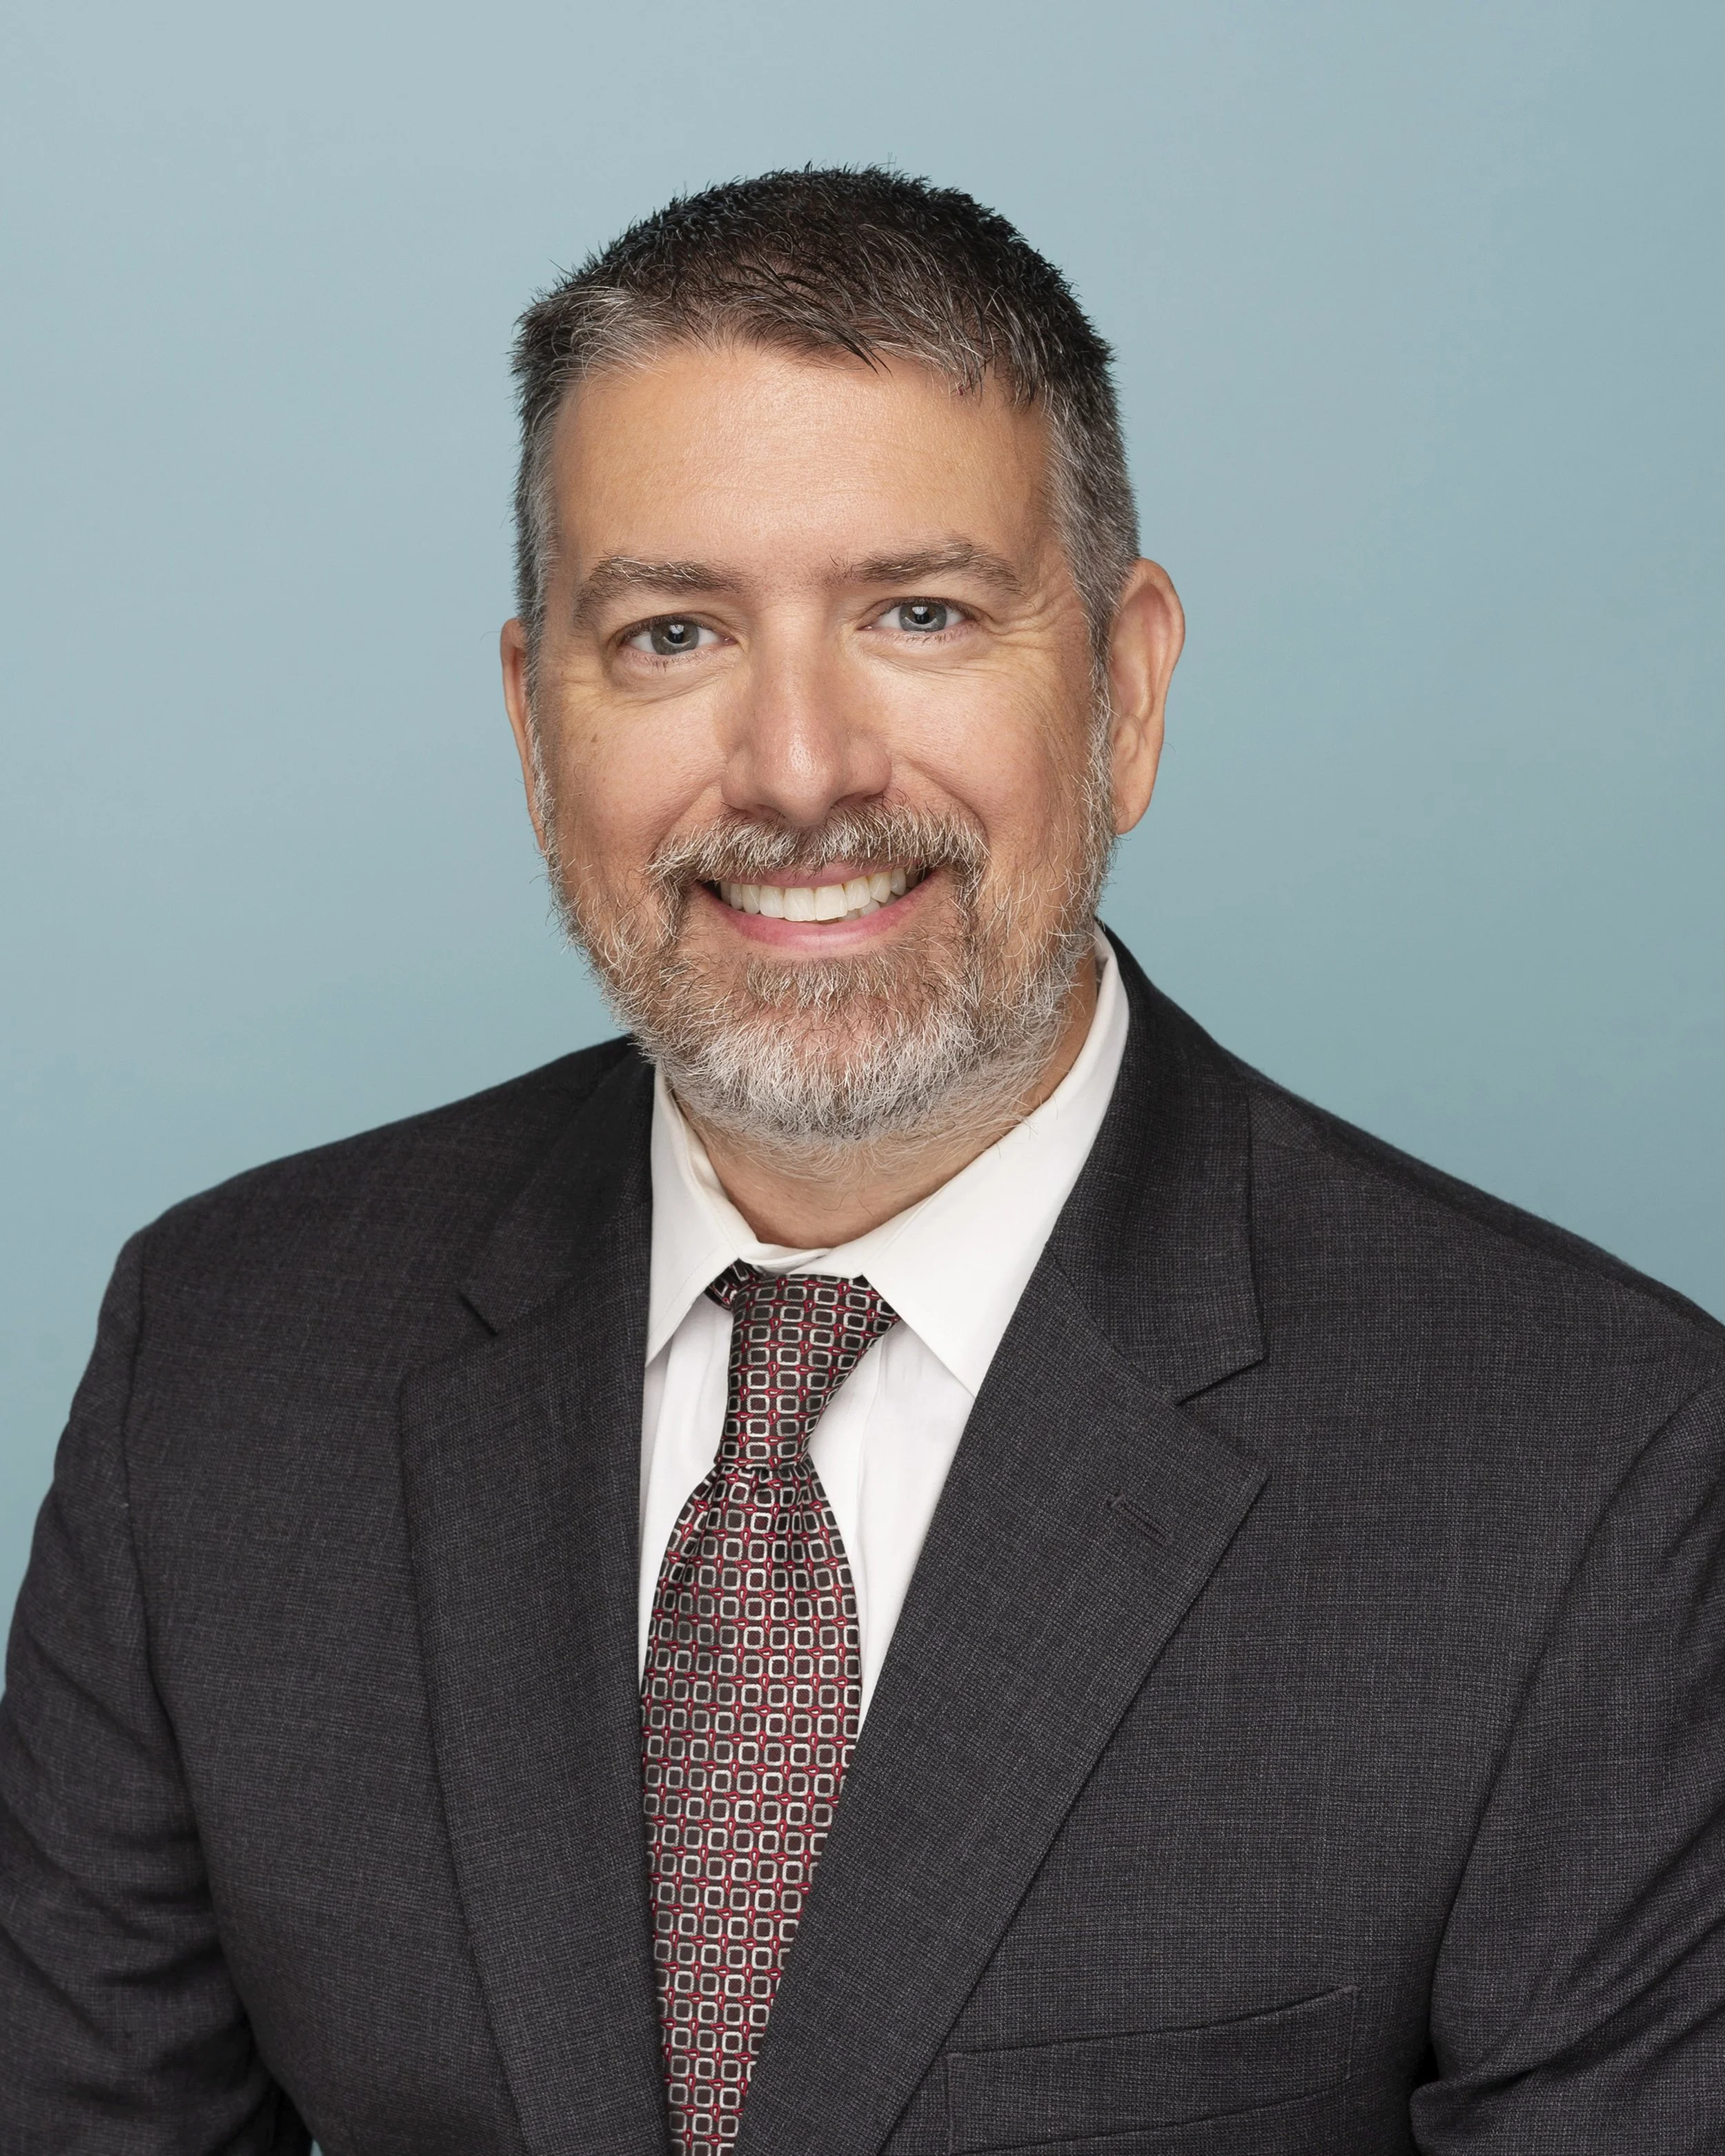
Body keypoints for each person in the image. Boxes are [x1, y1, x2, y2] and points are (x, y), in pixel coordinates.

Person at [2, 166, 1722, 2156]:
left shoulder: (1589, 1465)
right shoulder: (219, 1353)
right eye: (668, 632)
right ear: (534, 725)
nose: (801, 766)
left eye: (918, 612)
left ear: (1128, 686)